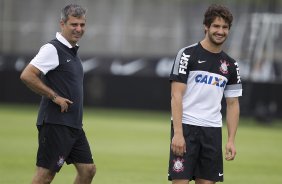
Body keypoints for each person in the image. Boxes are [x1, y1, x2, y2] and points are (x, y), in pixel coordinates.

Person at [20, 4, 96, 184]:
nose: (79, 29)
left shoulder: (71, 51)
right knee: (45, 175)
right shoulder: (52, 49)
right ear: (62, 24)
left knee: (88, 170)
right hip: (56, 123)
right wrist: (54, 97)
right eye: (74, 24)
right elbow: (27, 75)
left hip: (73, 125)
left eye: (82, 25)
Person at [168, 4, 242, 184]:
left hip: (212, 132)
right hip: (186, 128)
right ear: (206, 27)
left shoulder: (231, 65)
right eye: (216, 26)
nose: (220, 31)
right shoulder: (187, 55)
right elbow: (176, 96)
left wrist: (231, 140)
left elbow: (233, 104)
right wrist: (178, 134)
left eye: (225, 27)